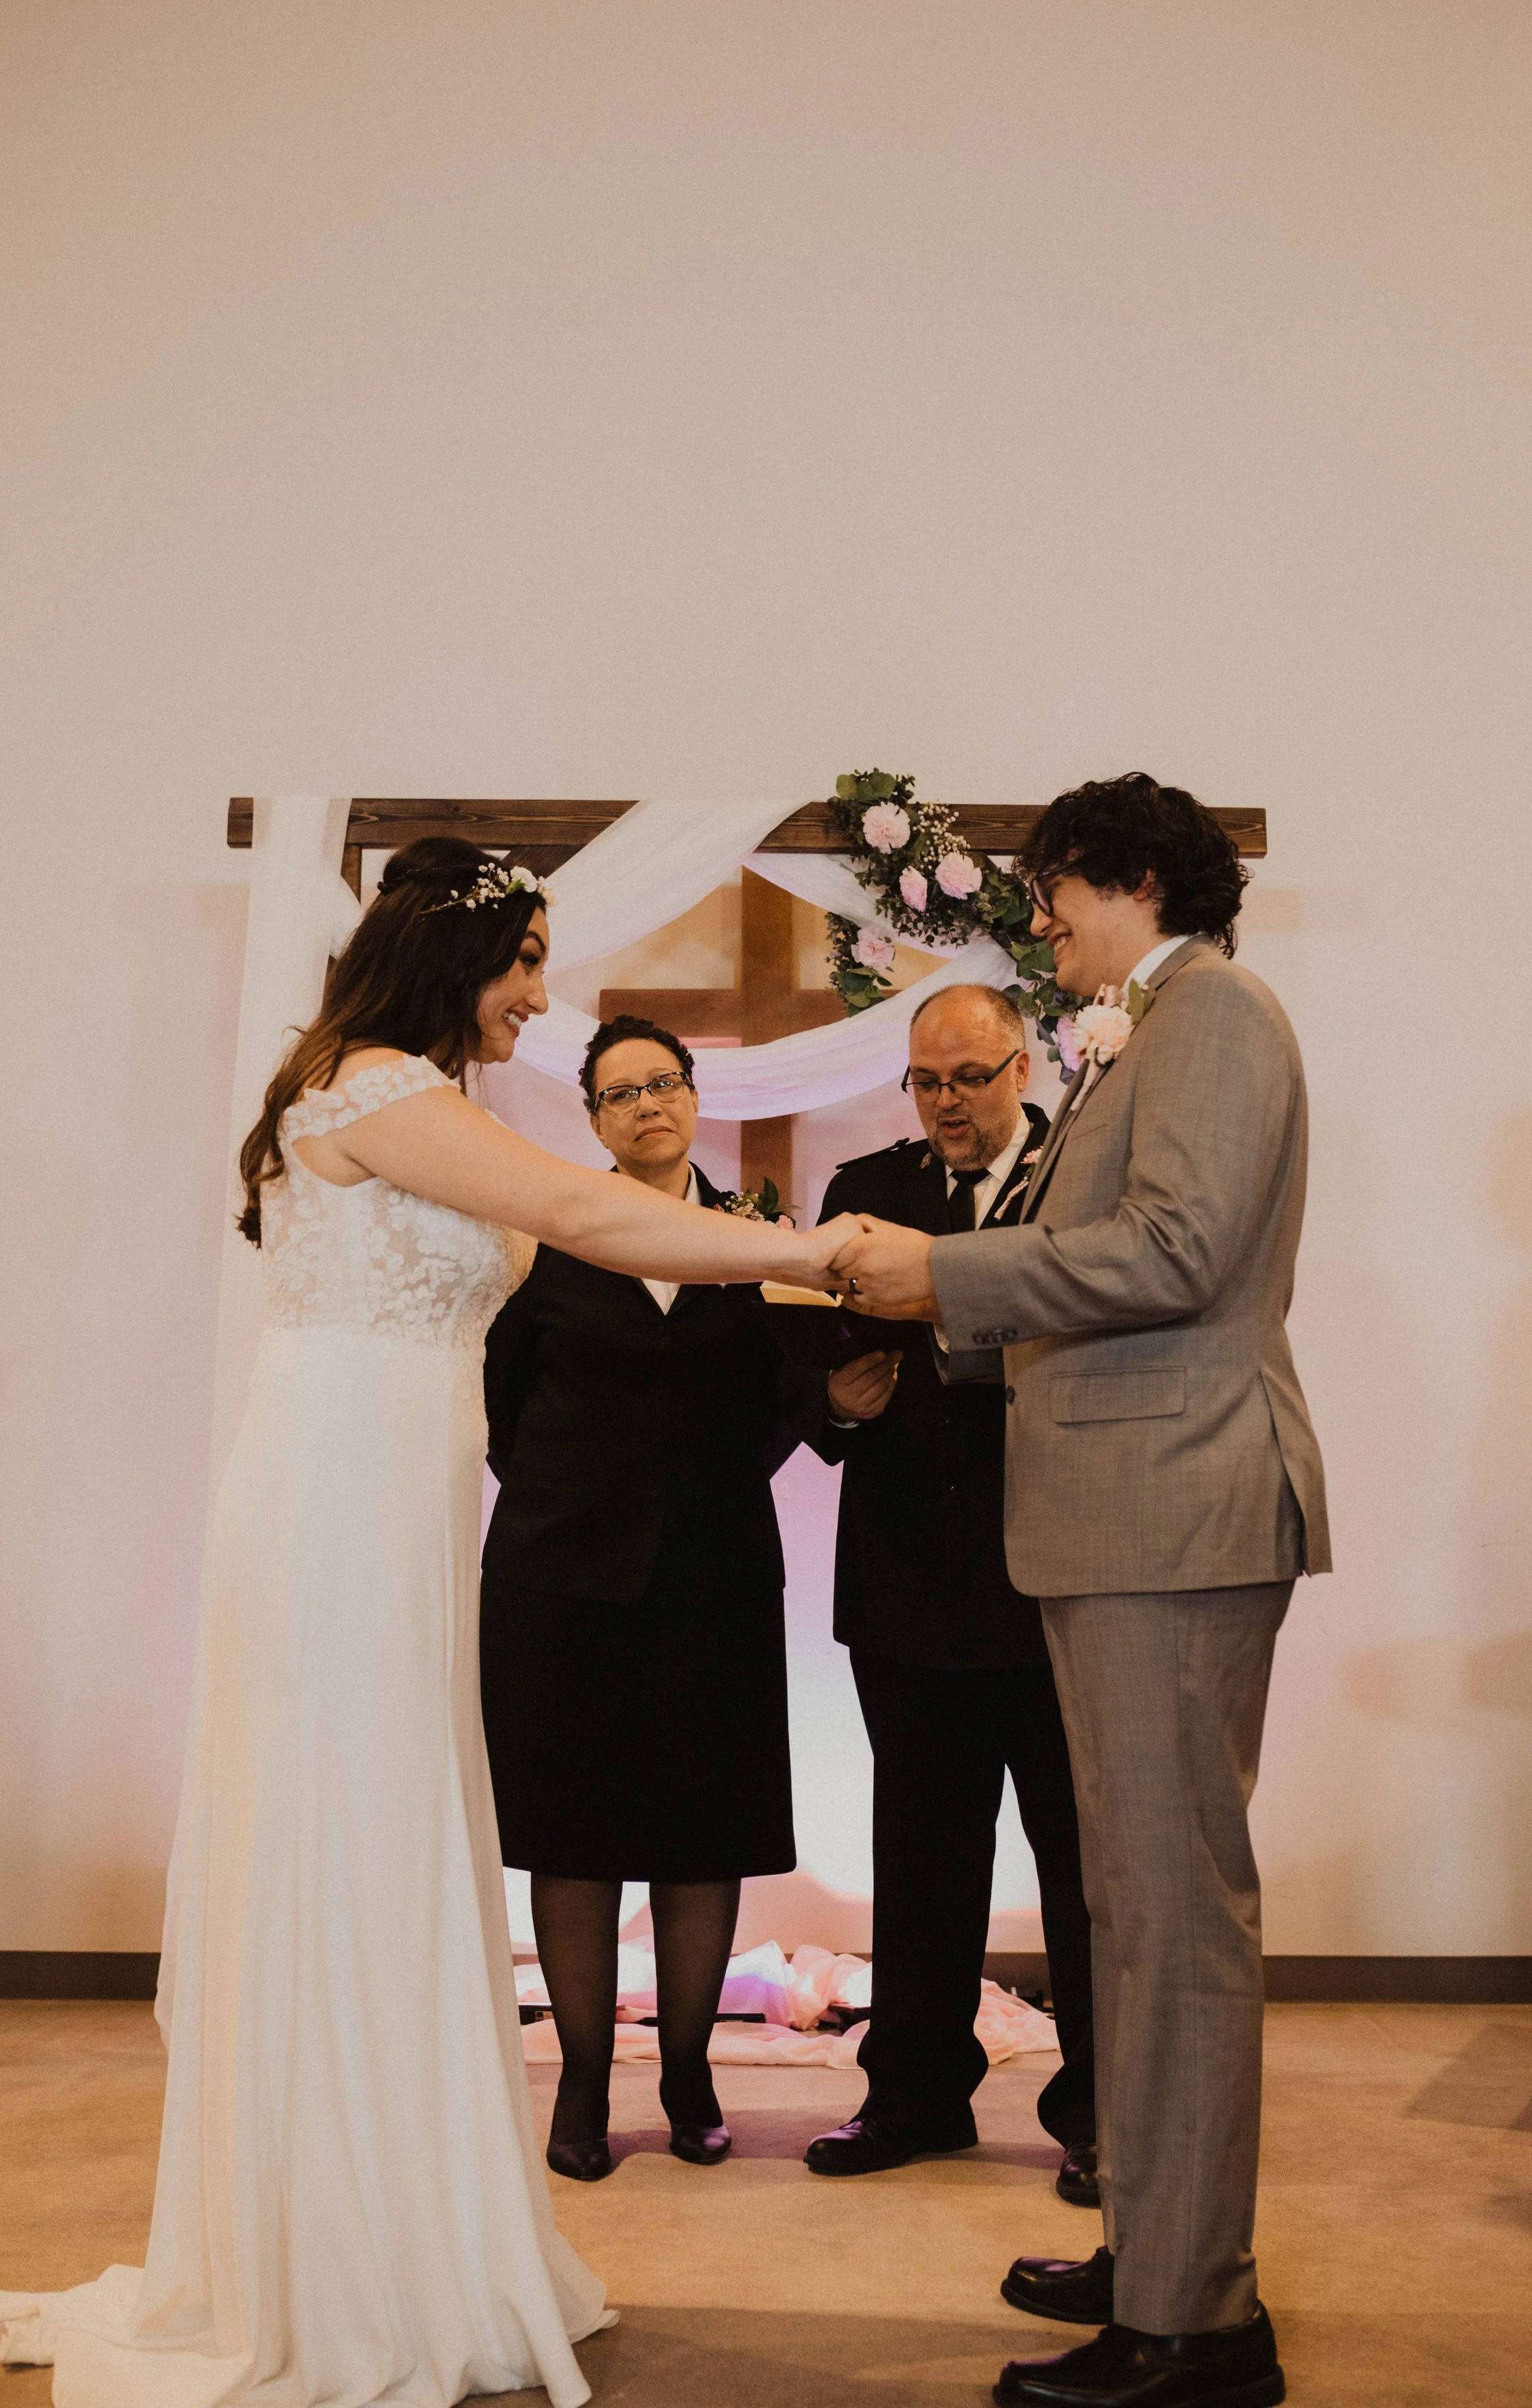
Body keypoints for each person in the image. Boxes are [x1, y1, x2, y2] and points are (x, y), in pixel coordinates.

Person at [0, 840, 856, 2408]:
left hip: (388, 1506)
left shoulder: (400, 1095)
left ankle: (402, 2223)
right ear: (453, 957)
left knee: (394, 1837)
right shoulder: (375, 1091)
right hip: (335, 1510)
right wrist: (815, 1252)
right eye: (523, 959)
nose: (534, 992)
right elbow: (608, 1223)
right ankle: (335, 2259)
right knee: (349, 1833)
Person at [833, 775, 1330, 2408]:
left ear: (1123, 877)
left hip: (1171, 1510)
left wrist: (942, 1276)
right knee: (1127, 1918)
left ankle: (1194, 2329)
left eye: (1051, 896)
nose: (1040, 928)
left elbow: (1177, 1250)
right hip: (1130, 1513)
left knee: (1173, 1927)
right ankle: (1153, 2248)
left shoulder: (1216, 1013)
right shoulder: (1156, 1020)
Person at [480, 1013, 896, 2183]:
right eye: (622, 1093)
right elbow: (503, 1410)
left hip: (713, 1574)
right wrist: (585, 1497)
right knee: (574, 1837)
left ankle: (690, 2075)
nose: (649, 1105)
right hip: (561, 1580)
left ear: (693, 1097)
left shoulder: (754, 1240)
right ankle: (580, 2084)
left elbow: (787, 1396)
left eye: (665, 1083)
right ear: (597, 1120)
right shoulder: (551, 1238)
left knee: (702, 1834)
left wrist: (846, 1412)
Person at [800, 983, 1098, 2200]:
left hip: (1055, 1579)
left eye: (970, 1077)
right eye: (927, 1082)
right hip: (909, 1579)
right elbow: (810, 1351)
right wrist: (833, 1401)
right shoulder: (864, 1194)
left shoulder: (1076, 1185)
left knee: (1082, 1866)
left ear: (1021, 1068)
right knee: (918, 1858)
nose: (949, 1104)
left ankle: (1101, 2113)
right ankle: (914, 2096)